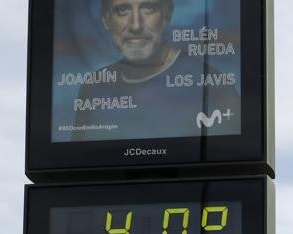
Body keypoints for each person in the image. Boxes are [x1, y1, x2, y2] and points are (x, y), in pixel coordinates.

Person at [69, 0, 242, 140]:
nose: (135, 25)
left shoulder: (213, 84)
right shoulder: (93, 87)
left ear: (167, 14)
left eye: (148, 8)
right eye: (122, 10)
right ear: (105, 20)